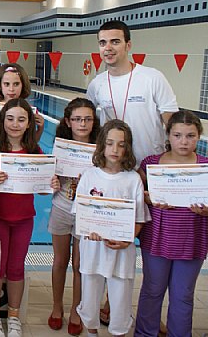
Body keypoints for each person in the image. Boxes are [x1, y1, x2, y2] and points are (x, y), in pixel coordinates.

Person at [0, 98, 58, 337]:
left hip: (24, 219)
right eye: (10, 118)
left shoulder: (35, 151)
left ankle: (13, 315)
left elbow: (43, 189)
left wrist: (51, 185)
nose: (15, 124)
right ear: (2, 121)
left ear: (29, 125)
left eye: (21, 119)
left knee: (16, 268)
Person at [134, 110, 208, 336]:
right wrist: (146, 197)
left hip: (192, 240)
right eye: (177, 135)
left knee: (183, 295)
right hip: (157, 238)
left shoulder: (205, 167)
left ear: (199, 137)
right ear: (168, 136)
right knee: (152, 290)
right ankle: (145, 333)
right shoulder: (151, 164)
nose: (184, 142)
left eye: (190, 136)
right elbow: (135, 193)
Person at [74, 120, 150, 337]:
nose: (115, 150)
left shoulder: (133, 179)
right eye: (110, 143)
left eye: (121, 144)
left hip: (122, 252)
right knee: (89, 300)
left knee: (120, 302)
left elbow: (139, 219)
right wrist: (90, 229)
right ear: (101, 146)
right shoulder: (89, 175)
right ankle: (92, 332)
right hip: (93, 249)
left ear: (128, 148)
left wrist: (128, 239)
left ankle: (118, 332)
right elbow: (81, 213)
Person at [86, 20, 178, 166]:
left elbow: (173, 124)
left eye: (115, 42)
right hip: (113, 167)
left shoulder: (152, 77)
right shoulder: (96, 84)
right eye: (103, 43)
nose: (108, 48)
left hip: (149, 166)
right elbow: (86, 123)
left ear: (128, 45)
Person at [47, 98, 100, 336]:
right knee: (60, 261)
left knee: (79, 264)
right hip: (61, 206)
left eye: (87, 119)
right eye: (77, 119)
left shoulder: (100, 150)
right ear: (68, 121)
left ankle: (76, 310)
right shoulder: (60, 147)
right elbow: (48, 178)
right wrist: (53, 182)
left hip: (86, 212)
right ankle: (57, 307)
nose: (82, 124)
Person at [0, 63, 44, 141]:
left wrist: (40, 128)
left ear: (23, 85)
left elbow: (33, 142)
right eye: (6, 84)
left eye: (16, 84)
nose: (11, 89)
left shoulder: (30, 110)